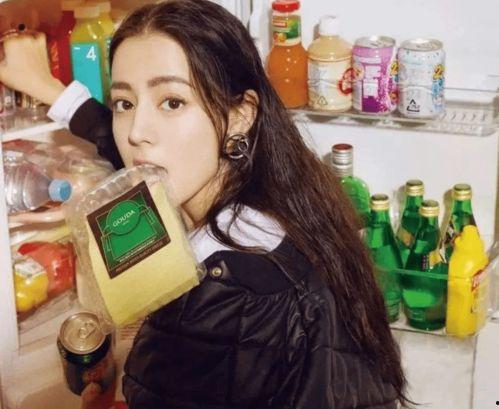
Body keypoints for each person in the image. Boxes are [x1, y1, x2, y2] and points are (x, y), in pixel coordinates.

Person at [0, 1, 409, 408]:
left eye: (172, 102)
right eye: (125, 102)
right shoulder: (280, 199)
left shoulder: (225, 305)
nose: (137, 132)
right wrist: (48, 88)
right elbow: (119, 139)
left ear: (240, 115)